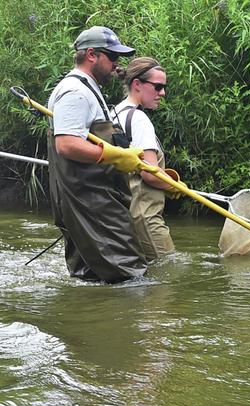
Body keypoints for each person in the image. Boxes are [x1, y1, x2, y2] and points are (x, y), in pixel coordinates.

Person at [46, 26, 147, 283]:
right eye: (112, 57)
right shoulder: (75, 92)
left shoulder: (87, 88)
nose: (116, 64)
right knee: (130, 277)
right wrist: (114, 156)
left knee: (90, 278)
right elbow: (66, 144)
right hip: (92, 202)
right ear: (92, 54)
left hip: (90, 199)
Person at [115, 57, 177, 261]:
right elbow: (150, 174)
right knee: (168, 271)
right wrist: (175, 186)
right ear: (137, 84)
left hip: (124, 216)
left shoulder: (115, 113)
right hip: (146, 216)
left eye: (163, 87)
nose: (162, 93)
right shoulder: (139, 120)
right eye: (158, 87)